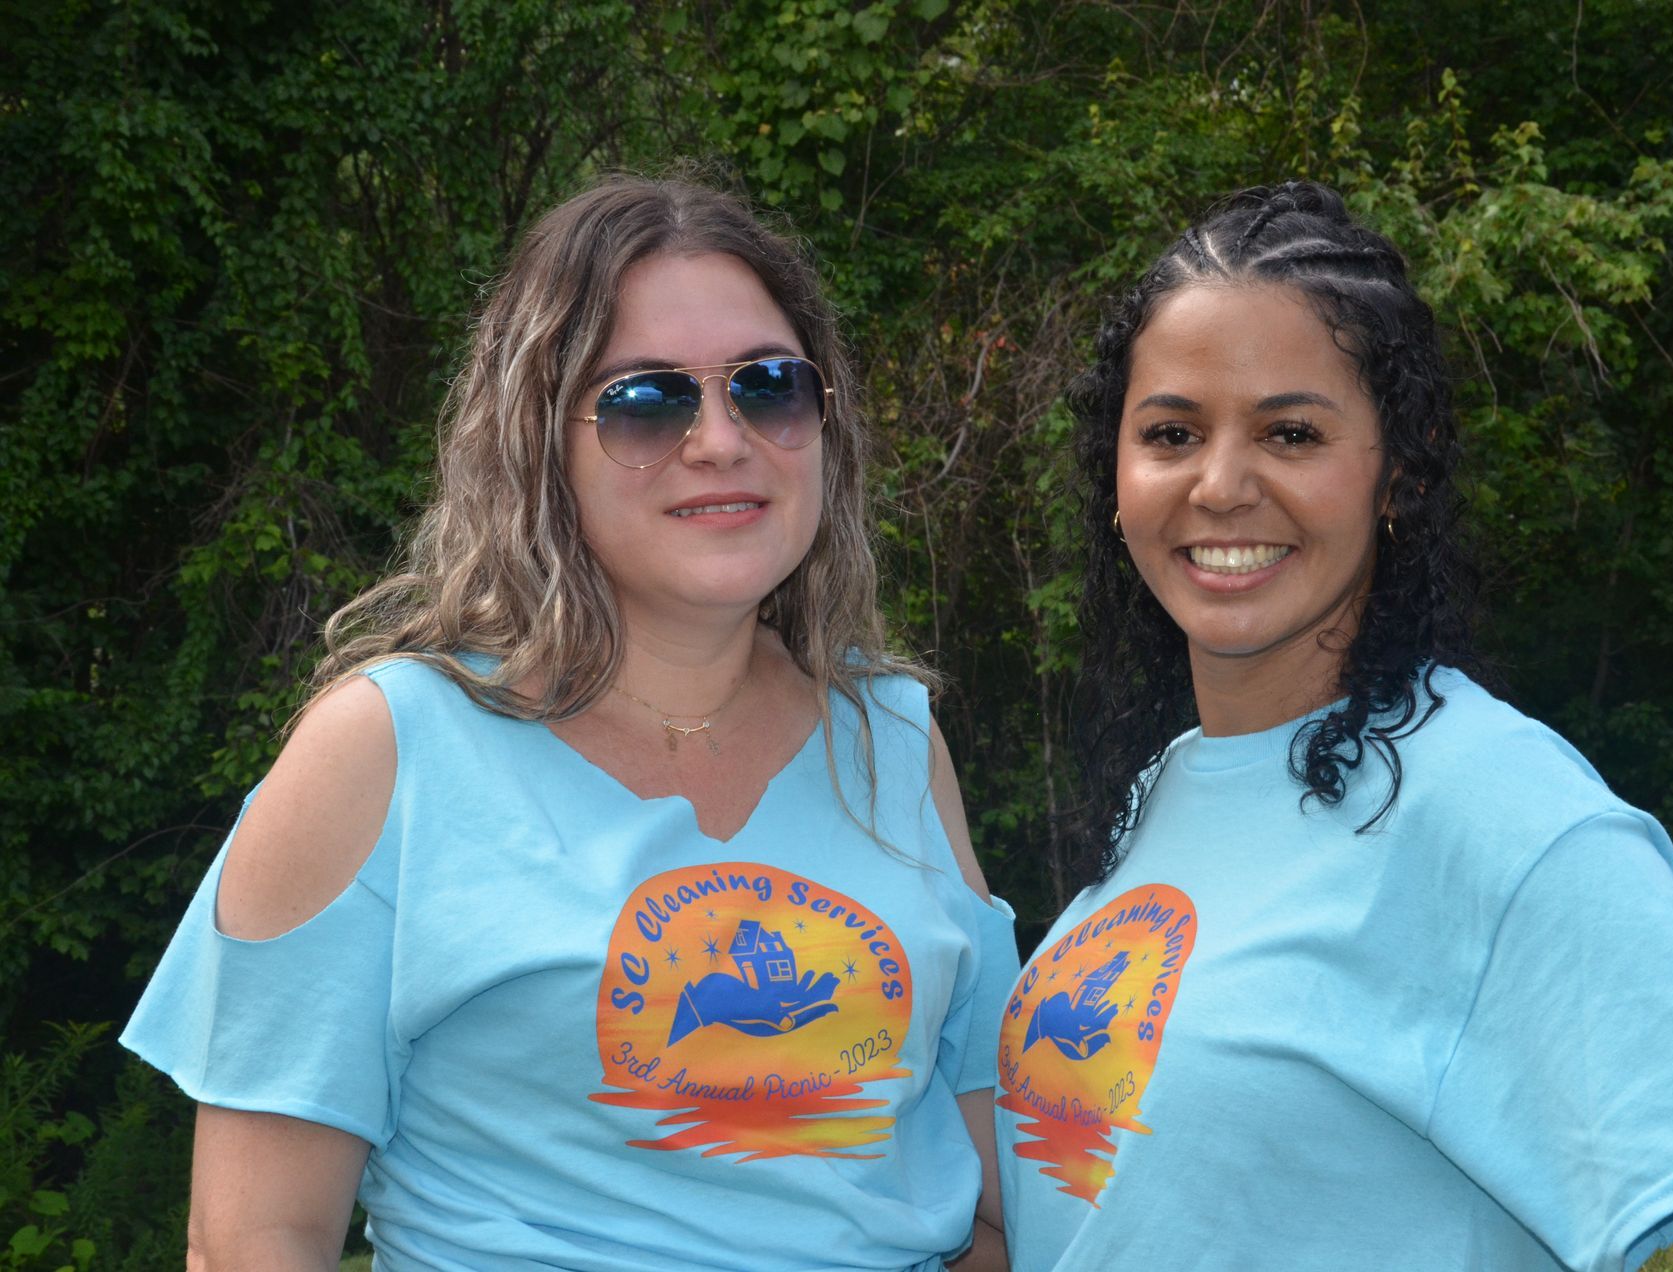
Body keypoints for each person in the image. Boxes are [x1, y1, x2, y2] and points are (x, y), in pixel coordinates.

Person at [991, 181, 1673, 1270]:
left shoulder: (1481, 796)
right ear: (1116, 473)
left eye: (1291, 432)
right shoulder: (1170, 790)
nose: (1221, 483)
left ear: (1403, 466)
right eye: (1171, 432)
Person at [123, 174, 1017, 1271]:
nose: (722, 440)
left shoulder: (895, 740)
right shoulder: (387, 749)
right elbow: (253, 1240)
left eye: (770, 388)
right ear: (538, 440)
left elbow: (998, 1201)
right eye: (650, 401)